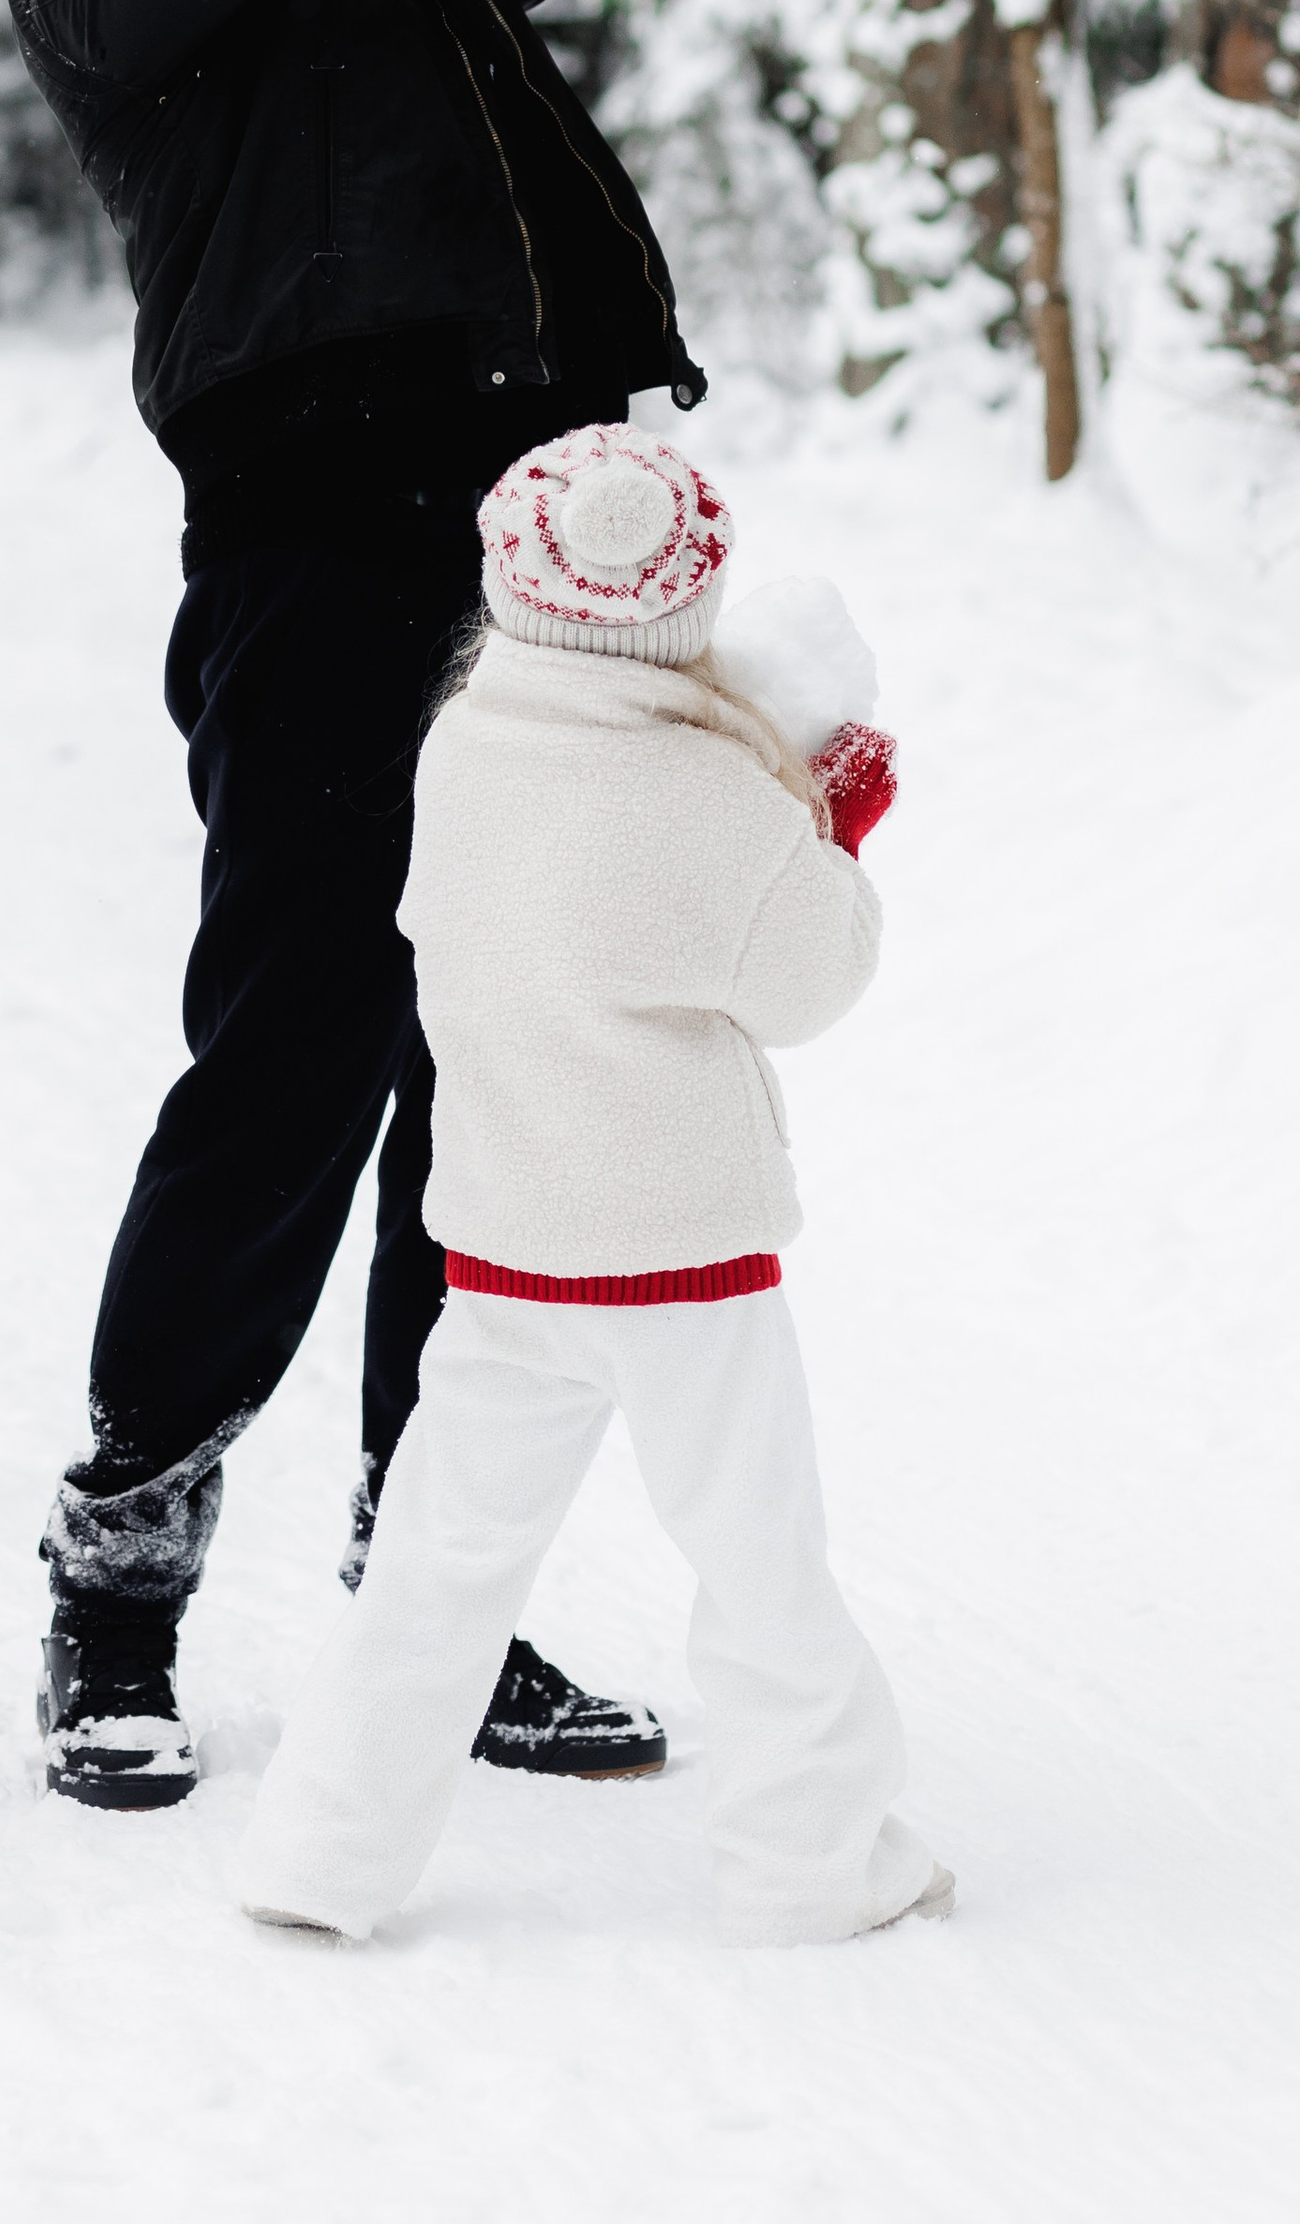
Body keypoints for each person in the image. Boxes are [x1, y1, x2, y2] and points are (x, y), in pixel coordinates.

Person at [1, 0, 738, 1808]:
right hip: (311, 526)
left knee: (494, 1058)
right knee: (299, 1045)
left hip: (514, 519)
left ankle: (434, 1584)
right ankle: (119, 1565)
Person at [238, 425, 949, 1947]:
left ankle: (323, 1855)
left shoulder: (464, 745)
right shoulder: (702, 794)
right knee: (761, 1569)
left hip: (503, 1249)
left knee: (435, 1572)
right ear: (690, 604)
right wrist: (828, 822)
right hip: (688, 1263)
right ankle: (813, 1865)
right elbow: (810, 980)